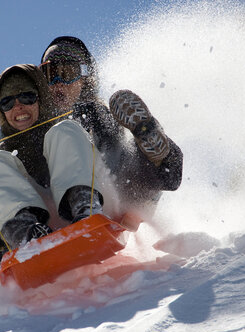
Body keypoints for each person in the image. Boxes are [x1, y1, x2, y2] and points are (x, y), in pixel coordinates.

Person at [0, 64, 103, 280]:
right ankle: (24, 235)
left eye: (27, 96)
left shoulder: (69, 123)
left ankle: (86, 209)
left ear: (42, 97)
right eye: (7, 102)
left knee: (66, 130)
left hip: (94, 211)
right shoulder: (1, 154)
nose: (18, 106)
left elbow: (115, 164)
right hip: (40, 232)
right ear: (1, 111)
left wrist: (101, 125)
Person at [38, 36, 183, 217]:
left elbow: (116, 158)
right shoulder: (35, 121)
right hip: (60, 203)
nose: (58, 82)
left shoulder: (96, 115)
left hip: (113, 191)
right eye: (50, 74)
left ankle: (157, 152)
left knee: (125, 146)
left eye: (67, 73)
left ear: (84, 79)